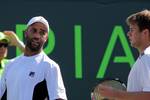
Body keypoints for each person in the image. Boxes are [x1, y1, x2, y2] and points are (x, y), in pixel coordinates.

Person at [0, 16, 67, 100]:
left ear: (46, 38)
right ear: (26, 32)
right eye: (34, 30)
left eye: (42, 33)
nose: (37, 36)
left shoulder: (51, 66)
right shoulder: (10, 65)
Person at [99, 9, 150, 100]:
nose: (128, 34)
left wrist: (116, 94)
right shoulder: (145, 58)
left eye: (132, 30)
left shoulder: (147, 58)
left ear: (145, 33)